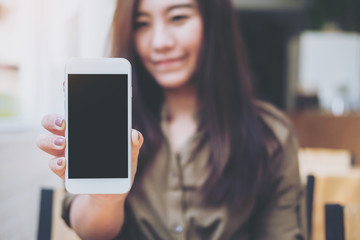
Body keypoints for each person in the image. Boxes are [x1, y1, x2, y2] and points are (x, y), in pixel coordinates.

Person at [37, 0, 307, 239]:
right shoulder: (108, 121)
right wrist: (107, 199)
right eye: (142, 23)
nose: (160, 42)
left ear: (214, 21)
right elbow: (91, 232)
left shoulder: (271, 133)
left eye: (178, 17)